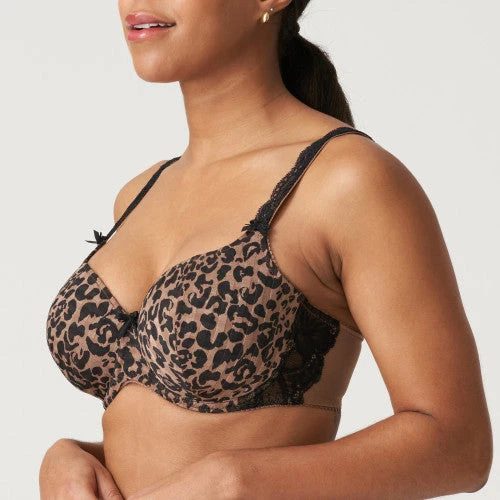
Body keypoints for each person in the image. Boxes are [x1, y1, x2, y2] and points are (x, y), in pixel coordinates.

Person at [40, 1, 493, 498]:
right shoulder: (140, 193)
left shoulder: (348, 181)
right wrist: (74, 455)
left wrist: (235, 481)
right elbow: (165, 435)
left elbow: (459, 446)